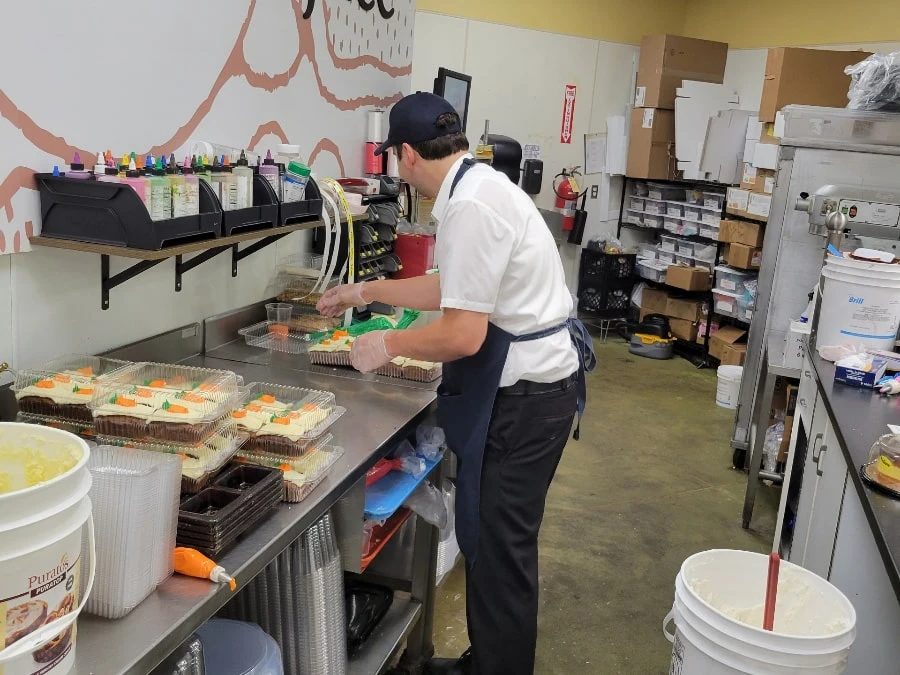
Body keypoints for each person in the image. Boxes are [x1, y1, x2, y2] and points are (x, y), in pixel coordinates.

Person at [317, 92, 594, 675]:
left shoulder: (469, 206)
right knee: (493, 544)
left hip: (525, 400)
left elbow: (464, 334)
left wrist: (385, 343)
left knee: (499, 551)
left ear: (407, 155)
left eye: (393, 156)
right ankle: (487, 661)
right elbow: (452, 287)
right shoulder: (481, 187)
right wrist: (365, 292)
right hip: (540, 390)